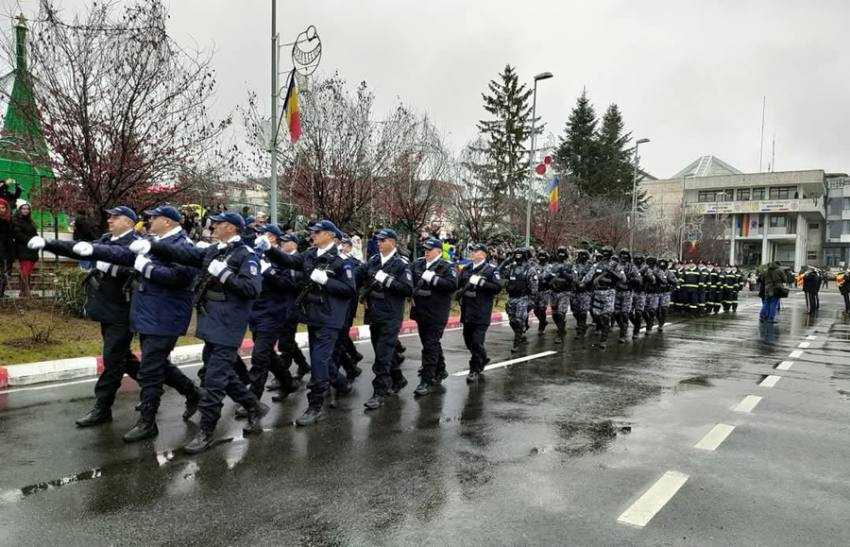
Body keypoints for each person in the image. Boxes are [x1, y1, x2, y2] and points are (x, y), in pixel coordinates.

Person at [30, 206, 200, 437]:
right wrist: (54, 245)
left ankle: (141, 419)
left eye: (154, 217)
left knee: (139, 366)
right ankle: (189, 393)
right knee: (145, 364)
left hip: (159, 316)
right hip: (143, 314)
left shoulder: (180, 245)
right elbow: (112, 253)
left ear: (168, 222)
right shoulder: (148, 241)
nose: (148, 220)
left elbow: (181, 278)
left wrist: (144, 268)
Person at [136, 210, 268, 453]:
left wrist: (225, 274)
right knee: (222, 375)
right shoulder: (215, 250)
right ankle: (254, 406)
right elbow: (184, 254)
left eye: (219, 224)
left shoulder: (245, 255)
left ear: (232, 227)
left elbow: (252, 289)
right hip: (211, 323)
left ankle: (206, 431)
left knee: (213, 381)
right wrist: (152, 246)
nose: (213, 227)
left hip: (229, 325)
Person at [262, 219, 356, 426]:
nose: (313, 235)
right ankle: (341, 383)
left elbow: (349, 290)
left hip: (331, 317)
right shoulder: (310, 254)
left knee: (319, 361)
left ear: (330, 235)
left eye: (318, 232)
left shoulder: (342, 261)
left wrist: (326, 280)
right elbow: (289, 261)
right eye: (313, 232)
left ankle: (315, 405)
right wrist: (269, 249)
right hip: (313, 315)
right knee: (321, 359)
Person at [360, 228, 413, 410]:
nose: (379, 243)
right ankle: (398, 379)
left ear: (393, 242)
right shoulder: (374, 260)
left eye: (383, 240)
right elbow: (363, 279)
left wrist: (387, 280)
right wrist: (363, 295)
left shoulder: (401, 264)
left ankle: (379, 392)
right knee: (381, 351)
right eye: (378, 240)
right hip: (374, 314)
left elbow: (407, 289)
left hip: (391, 315)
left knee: (382, 356)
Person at [410, 236, 457, 396]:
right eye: (425, 249)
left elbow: (452, 285)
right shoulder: (418, 264)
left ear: (439, 251)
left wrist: (434, 279)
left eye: (430, 250)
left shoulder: (447, 266)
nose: (426, 252)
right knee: (429, 342)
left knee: (430, 345)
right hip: (420, 311)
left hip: (436, 312)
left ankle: (427, 379)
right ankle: (441, 369)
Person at [458, 243, 501, 383]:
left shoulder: (491, 270)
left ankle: (474, 369)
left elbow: (498, 287)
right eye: (472, 251)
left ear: (483, 254)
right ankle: (483, 356)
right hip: (467, 310)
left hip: (481, 311)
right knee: (468, 340)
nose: (472, 253)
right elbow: (458, 284)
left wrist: (482, 283)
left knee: (477, 341)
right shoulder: (466, 268)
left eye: (475, 251)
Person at [581, 246, 625, 348]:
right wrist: (583, 283)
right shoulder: (597, 264)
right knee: (596, 315)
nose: (605, 254)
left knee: (606, 315)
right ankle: (604, 327)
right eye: (604, 252)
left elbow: (622, 279)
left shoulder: (616, 265)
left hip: (609, 292)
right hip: (597, 292)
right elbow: (589, 276)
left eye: (607, 253)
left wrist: (611, 271)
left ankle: (603, 340)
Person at [500, 247, 538, 353]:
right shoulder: (511, 267)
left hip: (523, 298)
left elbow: (534, 286)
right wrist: (506, 261)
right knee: (512, 321)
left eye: (520, 255)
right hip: (511, 297)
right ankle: (520, 335)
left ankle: (516, 343)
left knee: (519, 320)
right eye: (516, 255)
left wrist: (531, 300)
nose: (518, 257)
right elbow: (499, 272)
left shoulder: (530, 269)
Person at [549, 246, 574, 343]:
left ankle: (560, 335)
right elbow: (547, 277)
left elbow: (573, 278)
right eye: (559, 253)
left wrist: (563, 274)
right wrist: (552, 282)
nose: (561, 255)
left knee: (560, 313)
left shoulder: (570, 265)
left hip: (565, 292)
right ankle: (561, 327)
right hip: (554, 292)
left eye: (563, 253)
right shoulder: (552, 266)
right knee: (555, 315)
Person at [12, 202, 38, 297]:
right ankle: (25, 291)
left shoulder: (31, 221)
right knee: (25, 271)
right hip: (23, 249)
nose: (26, 210)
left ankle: (24, 292)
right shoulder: (16, 220)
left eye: (27, 209)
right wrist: (30, 240)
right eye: (23, 208)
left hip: (32, 250)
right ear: (19, 210)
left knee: (28, 272)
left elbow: (35, 233)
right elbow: (18, 235)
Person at [614, 249, 640, 343]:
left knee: (625, 313)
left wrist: (630, 279)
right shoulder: (615, 265)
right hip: (616, 292)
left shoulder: (632, 267)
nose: (624, 257)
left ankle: (623, 334)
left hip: (627, 292)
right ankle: (623, 327)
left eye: (626, 255)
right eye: (622, 254)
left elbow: (638, 279)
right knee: (616, 313)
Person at [570, 249, 593, 339]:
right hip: (575, 291)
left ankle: (581, 329)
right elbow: (574, 275)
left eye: (584, 255)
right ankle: (581, 324)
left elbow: (590, 275)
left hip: (585, 291)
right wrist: (578, 283)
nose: (583, 257)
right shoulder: (575, 265)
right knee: (575, 311)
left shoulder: (590, 265)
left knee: (583, 311)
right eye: (581, 255)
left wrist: (584, 283)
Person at [532, 250, 553, 334]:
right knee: (535, 310)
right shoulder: (535, 266)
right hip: (536, 290)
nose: (541, 258)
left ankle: (541, 327)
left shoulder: (549, 267)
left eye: (543, 256)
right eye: (540, 256)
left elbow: (547, 276)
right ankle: (543, 321)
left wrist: (542, 277)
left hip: (545, 291)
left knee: (542, 309)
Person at [0, 198, 14, 298]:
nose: (1, 210)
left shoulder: (9, 220)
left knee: (5, 272)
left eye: (3, 207)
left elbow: (10, 236)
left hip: (7, 251)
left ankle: (1, 292)